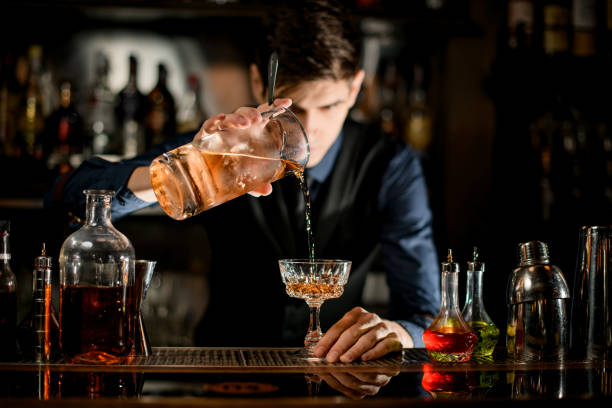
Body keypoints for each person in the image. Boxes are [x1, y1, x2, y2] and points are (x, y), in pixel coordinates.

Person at [45, 0, 440, 363]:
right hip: (225, 377)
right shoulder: (221, 147)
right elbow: (66, 197)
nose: (313, 129)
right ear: (259, 83)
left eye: (330, 105)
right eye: (295, 106)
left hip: (340, 385)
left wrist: (398, 333)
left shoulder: (391, 164)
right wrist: (182, 173)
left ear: (355, 88)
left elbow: (423, 311)